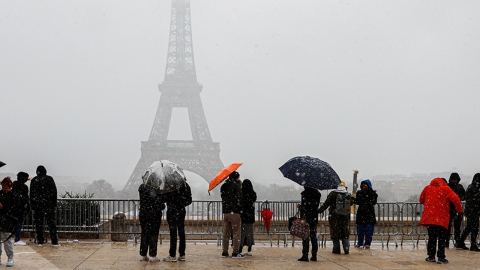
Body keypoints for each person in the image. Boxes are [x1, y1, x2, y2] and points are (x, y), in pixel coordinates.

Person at [419, 177, 463, 264]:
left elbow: (421, 200)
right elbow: (456, 199)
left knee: (432, 237)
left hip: (430, 217)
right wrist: (459, 210)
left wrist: (430, 205)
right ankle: (441, 257)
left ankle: (431, 256)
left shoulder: (427, 188)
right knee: (442, 238)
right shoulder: (446, 189)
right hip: (442, 218)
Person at [318, 180, 352, 255]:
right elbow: (351, 203)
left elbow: (326, 204)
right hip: (345, 217)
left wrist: (319, 211)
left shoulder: (333, 194)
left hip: (334, 216)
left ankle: (336, 249)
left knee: (335, 233)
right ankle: (346, 248)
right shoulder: (347, 194)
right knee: (345, 233)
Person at [30, 165, 60, 247]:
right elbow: (54, 192)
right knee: (51, 223)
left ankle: (40, 241)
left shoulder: (34, 180)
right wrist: (53, 203)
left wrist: (33, 205)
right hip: (48, 204)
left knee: (39, 224)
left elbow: (32, 194)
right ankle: (54, 241)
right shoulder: (49, 179)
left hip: (38, 205)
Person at [163, 181, 192, 262]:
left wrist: (172, 202)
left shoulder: (170, 185)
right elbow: (189, 200)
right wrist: (181, 204)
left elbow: (165, 198)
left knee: (173, 233)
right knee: (181, 232)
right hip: (181, 211)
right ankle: (182, 254)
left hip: (172, 211)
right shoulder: (186, 186)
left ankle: (172, 255)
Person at [138, 183, 165, 262]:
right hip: (154, 215)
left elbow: (144, 200)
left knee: (144, 233)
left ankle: (143, 255)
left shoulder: (142, 187)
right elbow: (159, 204)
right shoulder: (157, 190)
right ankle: (152, 255)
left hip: (143, 213)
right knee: (153, 234)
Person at [220, 171, 244, 258]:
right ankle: (235, 252)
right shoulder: (237, 186)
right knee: (236, 233)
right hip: (234, 212)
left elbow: (223, 197)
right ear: (236, 177)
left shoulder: (224, 186)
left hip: (226, 212)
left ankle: (225, 252)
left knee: (226, 233)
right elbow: (240, 199)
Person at [455, 173, 480, 251]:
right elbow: (476, 200)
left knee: (469, 227)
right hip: (474, 211)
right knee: (474, 228)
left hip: (470, 211)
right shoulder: (476, 189)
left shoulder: (470, 187)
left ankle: (461, 242)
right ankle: (473, 244)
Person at [0, 177, 21, 267]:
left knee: (7, 241)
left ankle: (10, 258)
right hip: (3, 219)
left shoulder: (14, 196)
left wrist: (3, 207)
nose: (4, 189)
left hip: (8, 220)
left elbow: (15, 209)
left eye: (6, 187)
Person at [296, 186, 320, 262]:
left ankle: (305, 255)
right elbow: (315, 206)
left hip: (306, 218)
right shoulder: (317, 194)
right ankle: (314, 255)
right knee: (313, 237)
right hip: (313, 218)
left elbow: (305, 208)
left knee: (305, 237)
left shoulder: (305, 194)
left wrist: (300, 207)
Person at [353, 179, 378, 249]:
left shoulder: (373, 193)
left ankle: (367, 243)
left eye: (365, 185)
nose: (364, 187)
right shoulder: (359, 193)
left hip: (369, 214)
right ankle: (360, 242)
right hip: (362, 214)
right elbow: (357, 201)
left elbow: (373, 202)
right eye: (363, 185)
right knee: (360, 230)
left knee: (369, 231)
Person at [446, 173, 465, 248]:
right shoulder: (458, 187)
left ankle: (449, 241)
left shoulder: (448, 186)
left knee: (454, 227)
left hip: (453, 209)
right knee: (453, 227)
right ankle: (452, 241)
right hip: (454, 209)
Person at [239, 179, 257, 256]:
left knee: (242, 233)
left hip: (243, 216)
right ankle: (249, 249)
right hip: (250, 216)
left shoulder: (241, 193)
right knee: (250, 233)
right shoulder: (253, 193)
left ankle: (240, 248)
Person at [12, 172, 30, 246]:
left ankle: (13, 237)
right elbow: (25, 198)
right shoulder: (24, 187)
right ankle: (17, 239)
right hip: (21, 208)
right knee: (19, 223)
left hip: (13, 207)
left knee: (14, 223)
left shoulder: (14, 185)